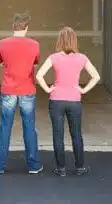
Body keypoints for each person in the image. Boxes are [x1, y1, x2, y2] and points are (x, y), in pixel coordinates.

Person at [36, 27, 100, 176]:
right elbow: (95, 76)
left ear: (60, 40)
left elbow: (39, 75)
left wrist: (47, 89)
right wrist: (83, 90)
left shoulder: (54, 57)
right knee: (76, 134)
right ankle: (79, 168)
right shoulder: (82, 58)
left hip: (56, 100)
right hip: (74, 101)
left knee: (58, 134)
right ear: (74, 40)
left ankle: (61, 169)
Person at [0, 13, 43, 174]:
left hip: (8, 90)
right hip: (27, 90)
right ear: (26, 27)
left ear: (13, 26)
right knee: (29, 127)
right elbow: (35, 62)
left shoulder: (2, 43)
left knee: (5, 127)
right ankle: (33, 166)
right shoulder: (34, 44)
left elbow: (0, 62)